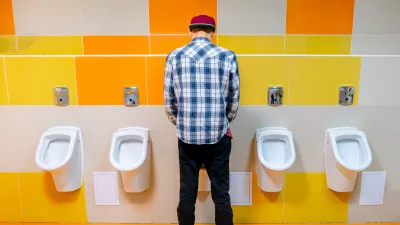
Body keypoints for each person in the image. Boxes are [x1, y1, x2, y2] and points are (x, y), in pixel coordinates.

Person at [163, 15, 240, 225]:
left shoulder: (174, 56)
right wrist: (223, 123)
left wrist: (182, 124)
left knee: (187, 193)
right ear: (213, 32)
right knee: (221, 193)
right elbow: (234, 100)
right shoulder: (227, 56)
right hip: (218, 136)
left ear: (190, 31)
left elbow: (169, 102)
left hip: (187, 138)